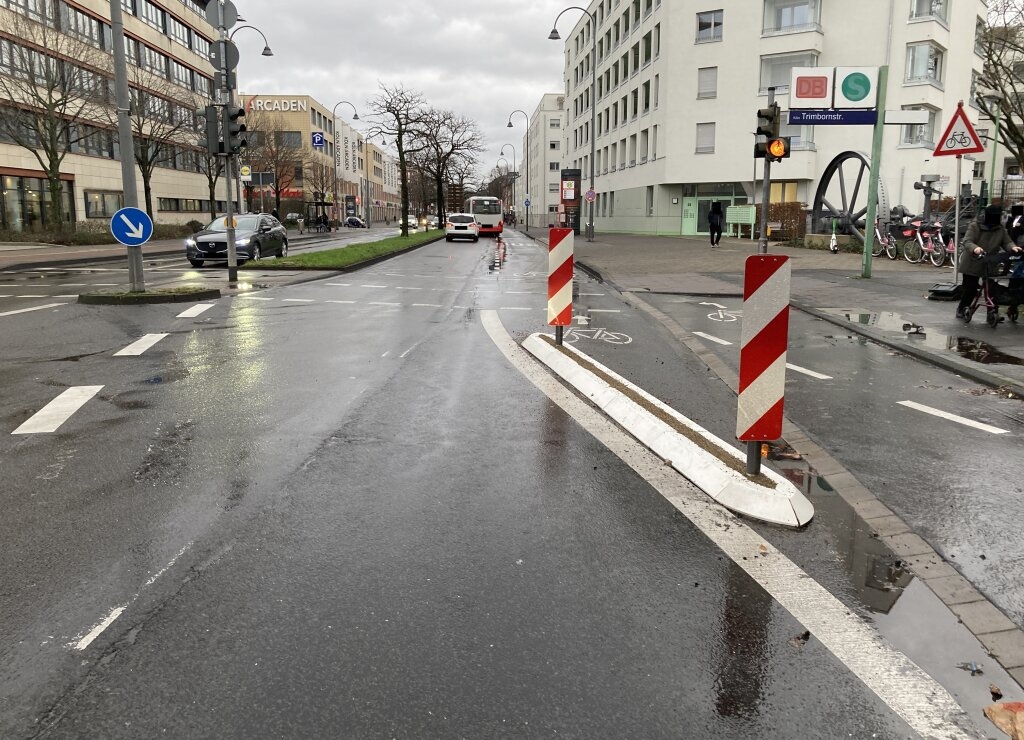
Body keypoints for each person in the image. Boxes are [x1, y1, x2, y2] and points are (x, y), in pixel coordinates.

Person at [956, 204, 1021, 322]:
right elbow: (967, 241)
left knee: (991, 289)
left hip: (990, 262)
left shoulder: (1000, 229)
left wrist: (1013, 247)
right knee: (970, 289)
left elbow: (1007, 242)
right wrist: (975, 248)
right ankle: (962, 309)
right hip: (973, 261)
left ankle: (992, 312)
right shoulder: (975, 226)